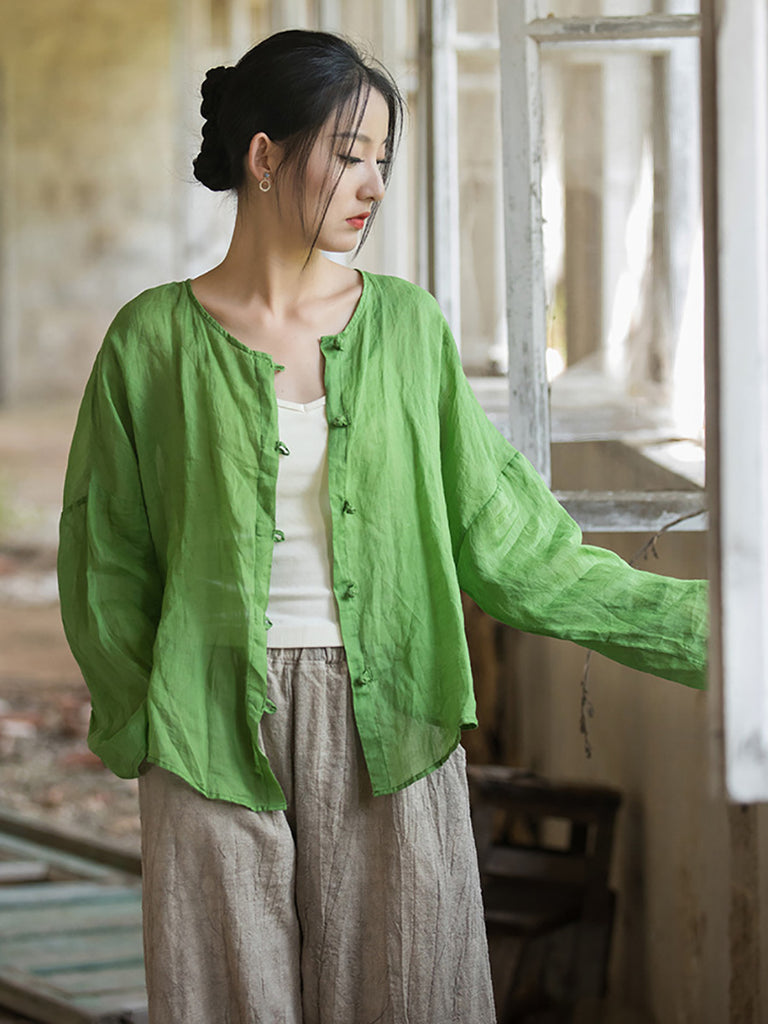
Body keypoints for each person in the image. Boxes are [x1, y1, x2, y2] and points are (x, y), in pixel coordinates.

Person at [57, 28, 708, 1024]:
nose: (373, 185)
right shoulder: (151, 340)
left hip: (391, 719)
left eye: (382, 161)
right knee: (224, 999)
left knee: (408, 993)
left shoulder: (407, 329)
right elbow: (105, 558)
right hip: (203, 725)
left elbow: (517, 547)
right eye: (349, 154)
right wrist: (144, 722)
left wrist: (719, 632)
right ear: (264, 156)